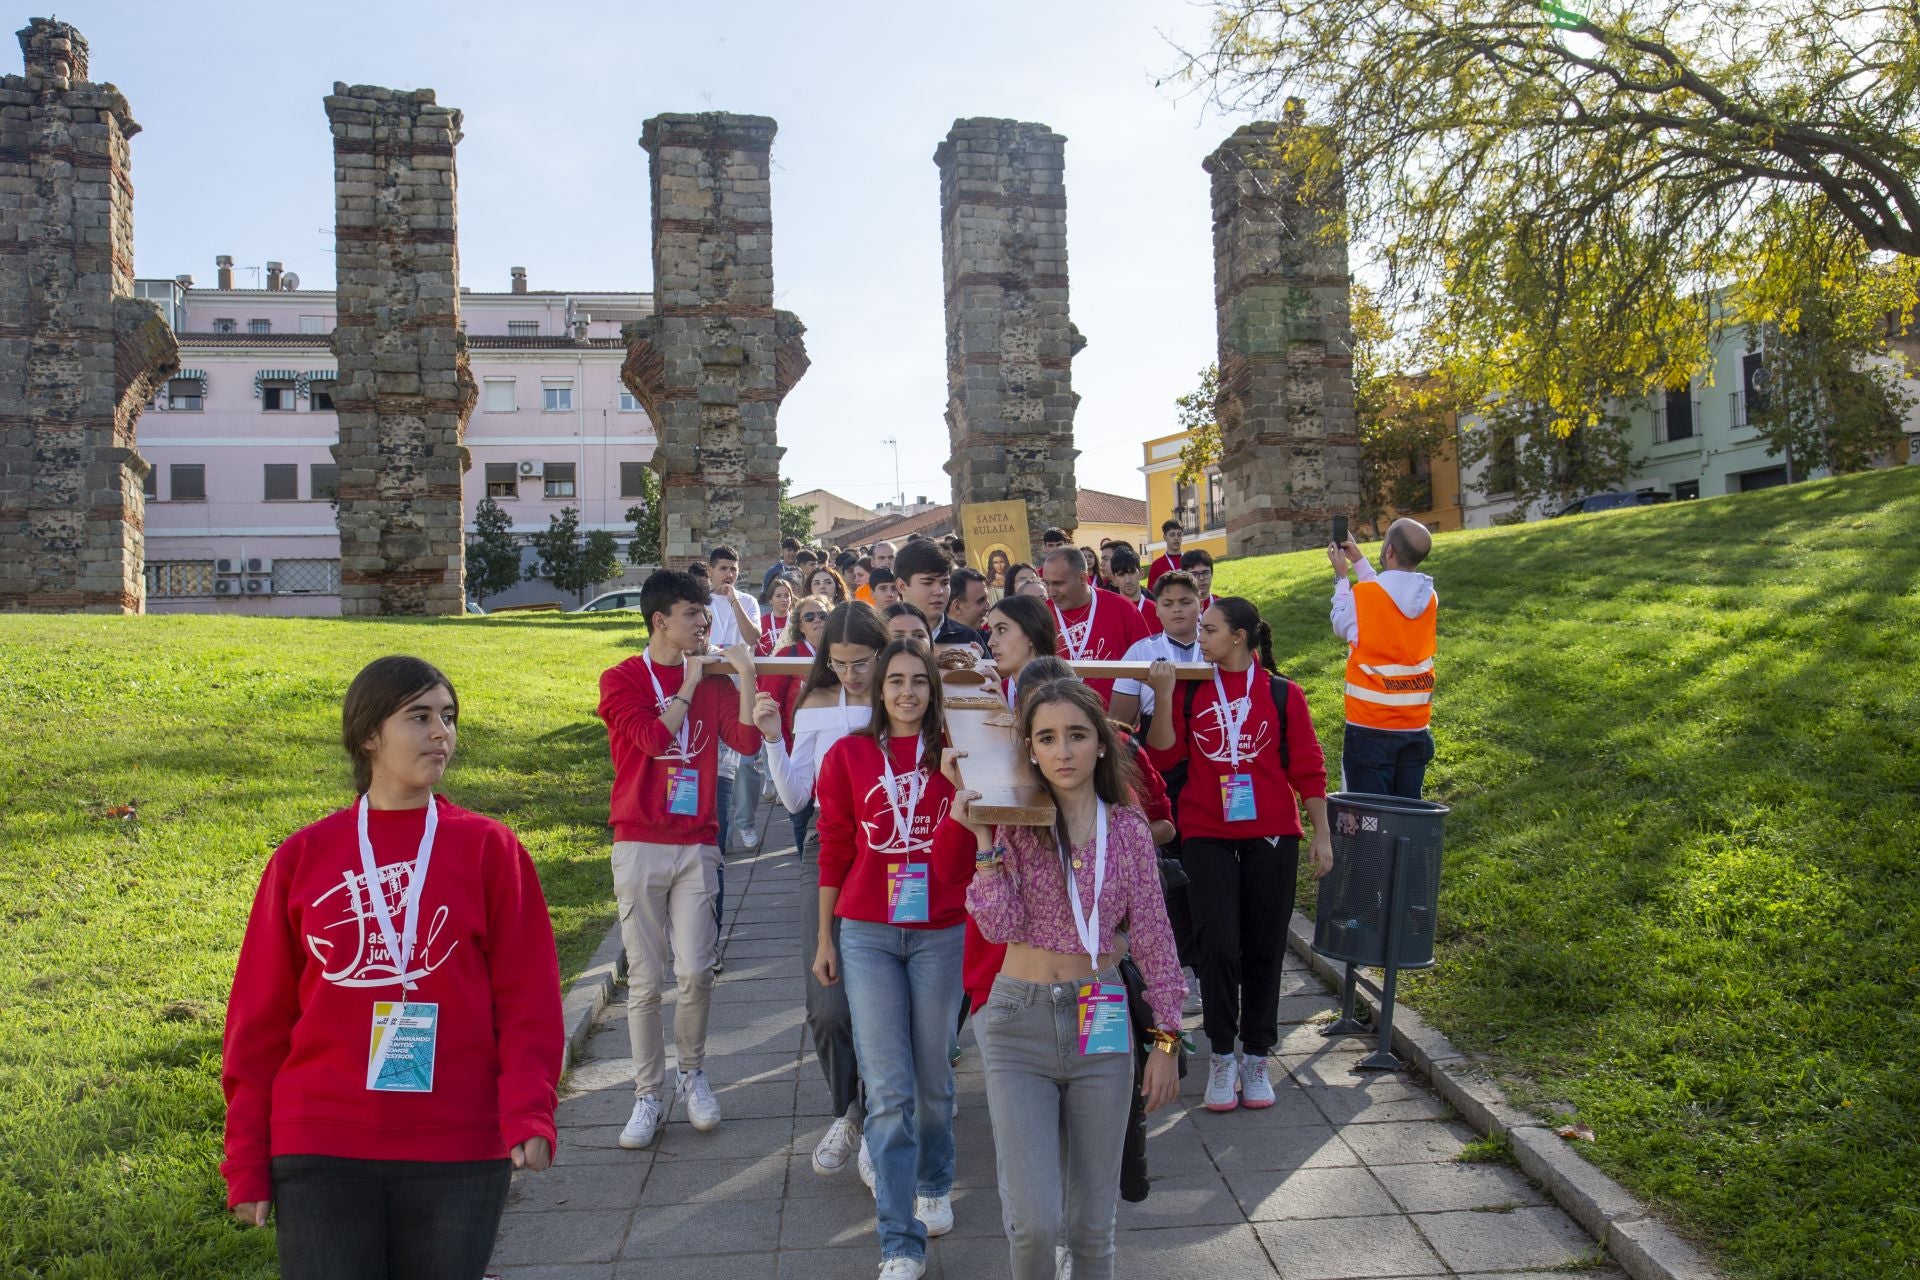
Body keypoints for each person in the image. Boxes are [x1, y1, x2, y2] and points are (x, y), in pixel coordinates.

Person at [221, 656, 564, 1278]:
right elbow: (259, 1020)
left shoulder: (489, 848)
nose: (442, 733)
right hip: (322, 1144)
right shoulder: (304, 856)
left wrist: (528, 1108)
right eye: (420, 717)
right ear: (369, 735)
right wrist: (247, 1157)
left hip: (457, 1143)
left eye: (449, 717)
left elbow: (527, 998)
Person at [947, 677, 1183, 1280]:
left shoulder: (1127, 830)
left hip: (1099, 1015)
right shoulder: (1015, 824)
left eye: (1076, 735)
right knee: (1033, 1223)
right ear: (1029, 749)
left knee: (1091, 1227)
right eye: (1047, 738)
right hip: (1017, 1022)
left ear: (1101, 744)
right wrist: (982, 840)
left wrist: (1165, 1041)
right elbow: (999, 926)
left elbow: (1155, 938)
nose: (1064, 752)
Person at [815, 640, 975, 1279]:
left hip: (940, 930)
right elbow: (833, 849)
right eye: (895, 682)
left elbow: (965, 863)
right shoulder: (848, 756)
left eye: (919, 682)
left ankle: (936, 1181)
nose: (907, 692)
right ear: (878, 691)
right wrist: (825, 937)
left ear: (934, 690)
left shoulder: (955, 757)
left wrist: (963, 793)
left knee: (934, 1079)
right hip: (867, 933)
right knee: (886, 1089)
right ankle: (898, 1243)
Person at [1144, 598, 1332, 1114]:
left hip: (1271, 832)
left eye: (1209, 629)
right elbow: (1162, 756)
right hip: (1205, 830)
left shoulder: (1282, 693)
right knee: (1218, 946)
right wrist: (1163, 696)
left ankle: (1256, 1054)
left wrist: (1321, 834)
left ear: (1240, 637)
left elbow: (1308, 767)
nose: (1198, 637)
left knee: (1264, 948)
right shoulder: (1189, 689)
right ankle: (1222, 1053)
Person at [598, 569, 762, 1148]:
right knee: (645, 980)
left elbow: (744, 745)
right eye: (694, 614)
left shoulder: (714, 678)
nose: (705, 623)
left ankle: (692, 1072)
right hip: (639, 840)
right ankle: (648, 1092)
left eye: (707, 613)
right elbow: (651, 740)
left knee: (695, 970)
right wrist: (689, 687)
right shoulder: (622, 678)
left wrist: (741, 676)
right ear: (660, 620)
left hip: (696, 841)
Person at [757, 602, 891, 1183]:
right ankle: (849, 1111)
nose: (851, 676)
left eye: (861, 663)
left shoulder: (902, 699)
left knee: (894, 998)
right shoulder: (813, 702)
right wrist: (771, 740)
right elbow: (794, 799)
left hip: (896, 849)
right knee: (827, 1003)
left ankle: (882, 1114)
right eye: (837, 664)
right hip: (829, 845)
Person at [1330, 518, 1438, 799]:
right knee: (1405, 811)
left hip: (1370, 727)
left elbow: (1340, 623)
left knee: (1369, 817)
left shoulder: (1364, 595)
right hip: (1414, 725)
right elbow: (1388, 598)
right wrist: (1360, 562)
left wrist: (1342, 578)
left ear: (1389, 550)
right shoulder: (1428, 597)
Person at [707, 546, 766, 856]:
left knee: (746, 762)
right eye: (723, 568)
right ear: (710, 571)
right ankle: (720, 826)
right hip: (712, 684)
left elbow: (753, 637)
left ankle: (745, 822)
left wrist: (733, 601)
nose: (728, 574)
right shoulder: (701, 602)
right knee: (713, 761)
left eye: (733, 568)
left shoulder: (748, 601)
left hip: (742, 685)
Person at [1041, 548, 1151, 708]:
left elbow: (1145, 663)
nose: (1051, 592)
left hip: (1116, 722)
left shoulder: (1121, 608)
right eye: (1047, 583)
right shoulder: (1041, 614)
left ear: (1082, 578)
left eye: (1058, 583)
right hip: (1060, 718)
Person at [1109, 570, 1204, 733]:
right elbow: (1118, 724)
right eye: (1167, 604)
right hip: (1156, 739)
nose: (1177, 609)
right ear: (1156, 609)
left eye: (1186, 602)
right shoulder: (1139, 652)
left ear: (1201, 605)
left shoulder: (1219, 647)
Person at [762, 594, 832, 746]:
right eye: (809, 617)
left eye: (823, 615)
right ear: (800, 626)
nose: (817, 620)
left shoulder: (841, 654)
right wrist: (785, 746)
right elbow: (771, 705)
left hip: (833, 741)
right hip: (796, 743)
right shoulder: (786, 655)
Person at [895, 539, 984, 651]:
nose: (939, 591)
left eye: (945, 583)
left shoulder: (968, 638)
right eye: (928, 582)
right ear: (902, 586)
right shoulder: (881, 636)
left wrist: (978, 667)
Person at [979, 594, 1059, 710]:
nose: (990, 642)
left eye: (1002, 629)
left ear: (1032, 634)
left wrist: (1007, 715)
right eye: (991, 631)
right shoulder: (1004, 688)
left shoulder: (1056, 696)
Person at [1106, 545, 1158, 633]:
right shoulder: (1108, 613)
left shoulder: (1157, 610)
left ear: (1141, 573)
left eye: (1131, 572)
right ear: (1114, 579)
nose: (1128, 580)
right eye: (1121, 574)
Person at [757, 574, 797, 657]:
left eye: (787, 595)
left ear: (791, 598)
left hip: (794, 666)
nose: (784, 599)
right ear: (770, 600)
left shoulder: (798, 621)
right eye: (778, 596)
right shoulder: (760, 622)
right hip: (768, 667)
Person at [946, 566, 991, 634]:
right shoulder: (932, 642)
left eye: (987, 599)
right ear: (957, 607)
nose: (989, 607)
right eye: (980, 601)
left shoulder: (990, 640)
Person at [1147, 520, 1184, 588]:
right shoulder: (1156, 565)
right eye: (1172, 535)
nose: (1176, 538)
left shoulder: (1189, 561)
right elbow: (1151, 594)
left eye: (1179, 535)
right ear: (1165, 537)